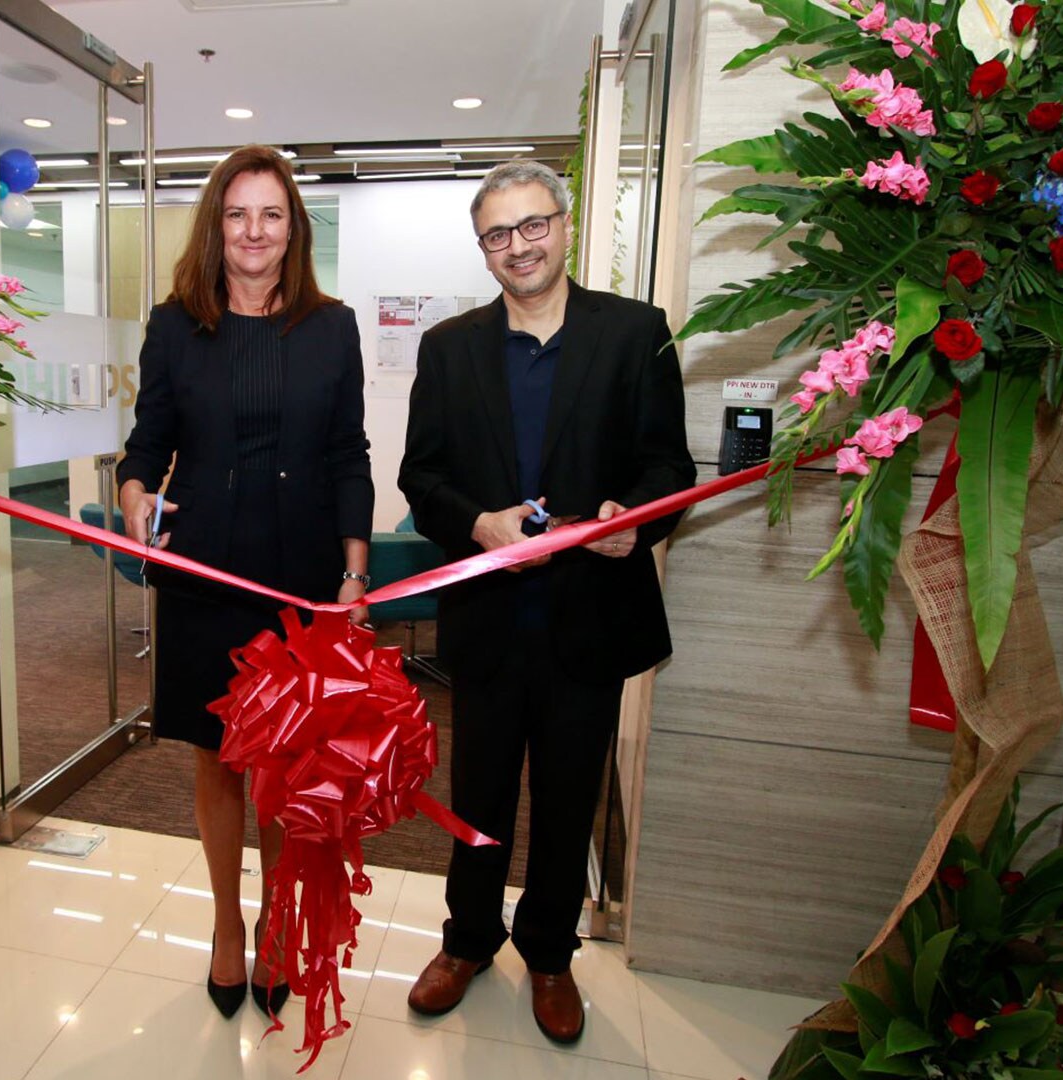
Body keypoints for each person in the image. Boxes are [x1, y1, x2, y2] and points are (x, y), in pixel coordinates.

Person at [397, 159, 695, 1043]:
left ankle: (553, 954)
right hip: (489, 619)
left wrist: (634, 522)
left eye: (532, 226)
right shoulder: (450, 347)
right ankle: (467, 941)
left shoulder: (636, 332)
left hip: (590, 619)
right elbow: (422, 475)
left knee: (568, 802)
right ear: (482, 248)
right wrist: (479, 525)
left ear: (565, 227)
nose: (517, 246)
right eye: (497, 233)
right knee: (478, 796)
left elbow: (668, 468)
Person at [116, 145, 374, 1020]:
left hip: (295, 580)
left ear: (292, 227)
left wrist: (353, 571)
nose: (253, 231)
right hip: (203, 573)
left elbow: (349, 455)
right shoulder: (175, 325)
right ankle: (227, 924)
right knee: (218, 758)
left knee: (282, 768)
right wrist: (133, 493)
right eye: (237, 214)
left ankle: (274, 923)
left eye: (270, 214)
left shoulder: (331, 326)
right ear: (215, 227)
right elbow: (147, 443)